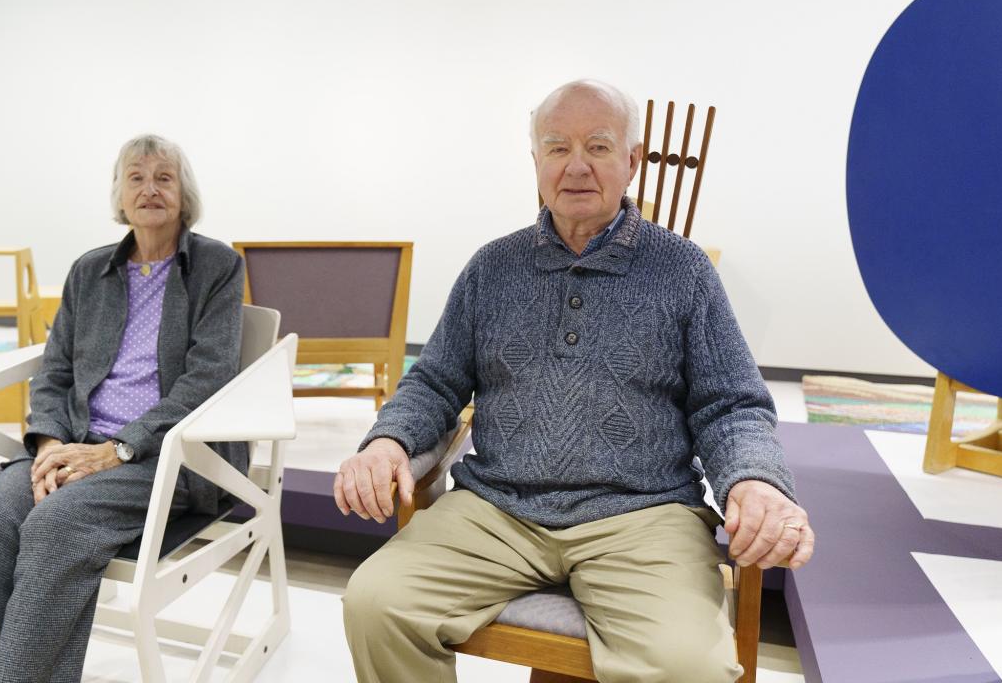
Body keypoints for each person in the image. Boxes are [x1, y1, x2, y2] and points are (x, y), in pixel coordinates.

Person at [336, 80, 816, 683]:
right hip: (499, 508)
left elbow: (732, 406)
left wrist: (755, 481)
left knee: (688, 665)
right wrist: (389, 442)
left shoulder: (683, 270)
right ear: (536, 161)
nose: (577, 166)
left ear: (632, 162)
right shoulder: (493, 267)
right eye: (558, 147)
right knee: (376, 603)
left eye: (599, 146)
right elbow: (435, 381)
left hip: (642, 514)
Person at [0, 134, 246, 683]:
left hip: (165, 457)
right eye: (136, 177)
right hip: (76, 446)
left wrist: (119, 448)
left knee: (55, 525)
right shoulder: (91, 272)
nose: (150, 189)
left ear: (185, 195)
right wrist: (48, 444)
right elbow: (55, 372)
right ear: (120, 194)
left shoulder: (216, 266)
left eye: (165, 177)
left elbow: (207, 379)